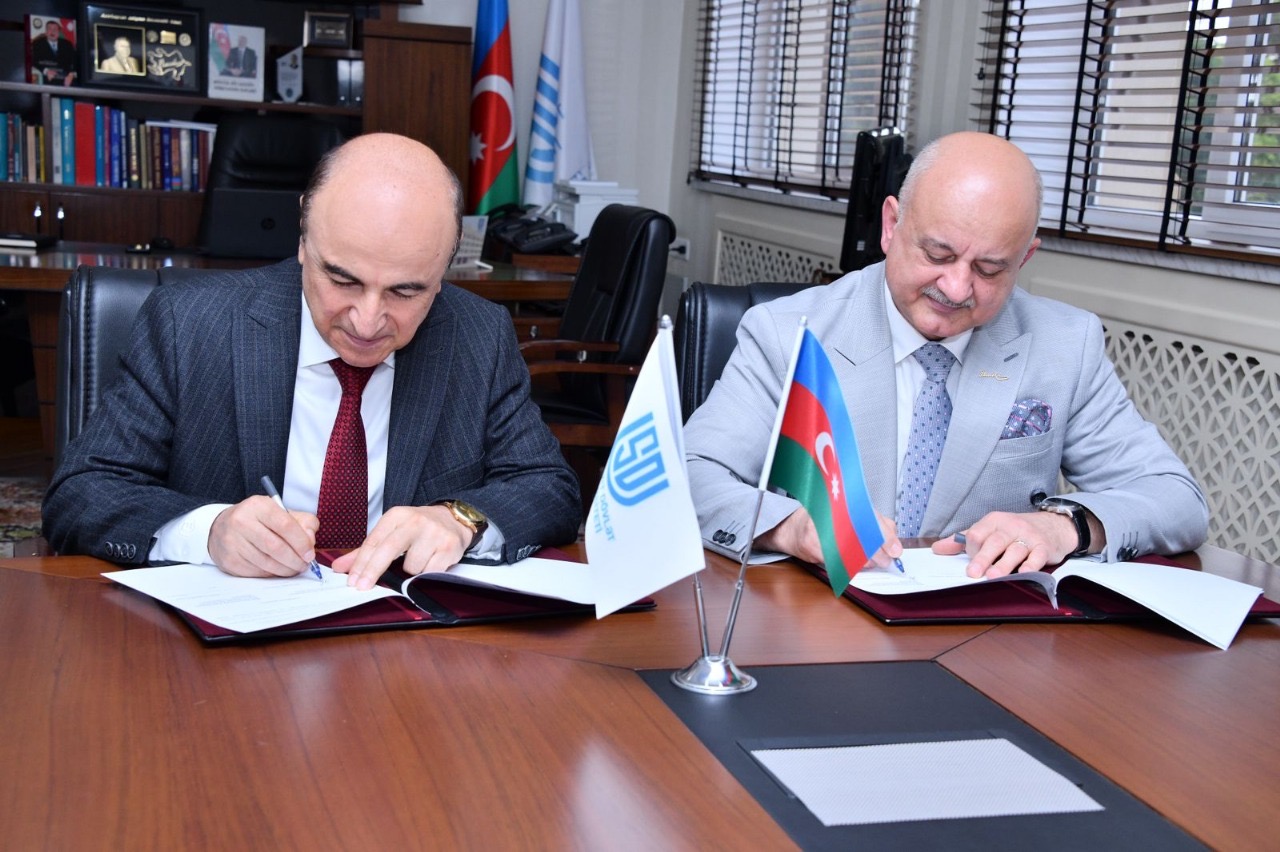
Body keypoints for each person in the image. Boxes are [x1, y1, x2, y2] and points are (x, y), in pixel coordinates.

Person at [43, 133, 581, 590]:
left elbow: (548, 487)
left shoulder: (477, 336)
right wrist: (209, 532)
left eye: (406, 291)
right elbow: (81, 493)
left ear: (445, 269)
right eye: (342, 280)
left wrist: (460, 520)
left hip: (405, 643)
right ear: (304, 236)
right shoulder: (189, 324)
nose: (367, 322)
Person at [684, 131, 1208, 579]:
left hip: (987, 631)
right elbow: (692, 473)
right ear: (891, 226)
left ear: (1024, 258)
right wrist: (790, 527)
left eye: (989, 269)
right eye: (938, 254)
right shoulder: (788, 333)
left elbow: (1176, 498)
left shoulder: (1066, 345)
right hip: (819, 617)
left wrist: (1064, 526)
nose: (956, 288)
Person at [30, 19, 77, 86]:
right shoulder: (37, 44)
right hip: (47, 78)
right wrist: (46, 71)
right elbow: (33, 61)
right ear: (46, 32)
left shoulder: (67, 44)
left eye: (55, 29)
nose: (52, 32)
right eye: (50, 29)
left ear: (59, 32)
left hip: (66, 77)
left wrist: (71, 74)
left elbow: (74, 61)